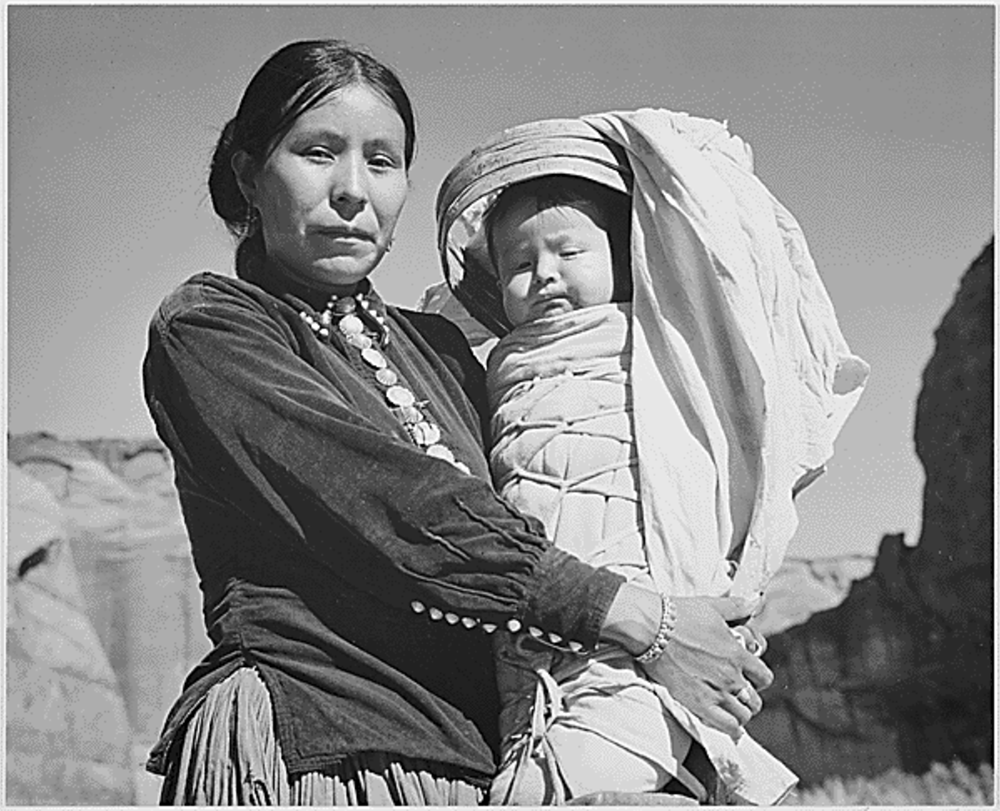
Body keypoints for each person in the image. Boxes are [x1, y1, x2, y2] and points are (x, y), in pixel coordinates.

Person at [142, 42, 772, 806]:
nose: (352, 190)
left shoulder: (442, 350)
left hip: (484, 760)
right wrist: (648, 622)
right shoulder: (213, 329)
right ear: (249, 174)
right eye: (316, 153)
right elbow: (397, 506)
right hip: (320, 747)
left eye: (383, 161)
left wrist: (701, 609)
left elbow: (555, 498)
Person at [433, 113, 869, 805]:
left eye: (567, 251)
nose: (543, 274)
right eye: (519, 263)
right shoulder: (489, 370)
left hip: (637, 636)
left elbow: (711, 219)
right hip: (544, 642)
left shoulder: (659, 347)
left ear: (622, 254)